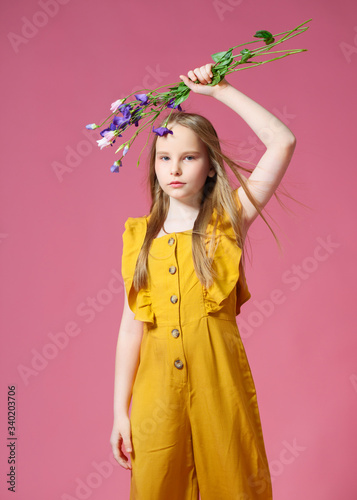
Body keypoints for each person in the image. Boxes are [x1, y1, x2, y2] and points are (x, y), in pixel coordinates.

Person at [110, 62, 296, 500]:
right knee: (157, 487)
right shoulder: (140, 235)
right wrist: (120, 411)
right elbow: (130, 326)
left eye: (189, 157)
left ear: (211, 166)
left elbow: (281, 141)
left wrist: (221, 90)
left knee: (235, 482)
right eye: (165, 158)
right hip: (155, 391)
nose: (174, 168)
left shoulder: (229, 219)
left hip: (219, 380)